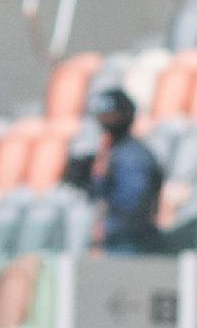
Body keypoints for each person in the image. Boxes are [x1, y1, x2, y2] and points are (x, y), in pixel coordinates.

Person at [66, 87, 170, 252]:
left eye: (110, 115)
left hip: (131, 242)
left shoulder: (133, 156)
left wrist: (99, 183)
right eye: (101, 116)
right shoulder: (110, 151)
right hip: (115, 240)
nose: (104, 121)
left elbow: (132, 203)